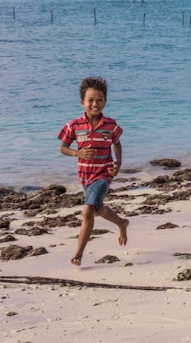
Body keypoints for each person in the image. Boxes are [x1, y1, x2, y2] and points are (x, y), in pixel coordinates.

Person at [58, 76, 129, 266]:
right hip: (84, 176)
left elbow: (117, 143)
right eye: (90, 100)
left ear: (105, 101)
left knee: (88, 210)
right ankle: (121, 223)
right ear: (82, 102)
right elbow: (63, 148)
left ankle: (78, 255)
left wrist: (118, 164)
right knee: (97, 210)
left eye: (99, 100)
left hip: (104, 175)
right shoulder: (73, 125)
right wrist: (77, 152)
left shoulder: (111, 125)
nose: (95, 104)